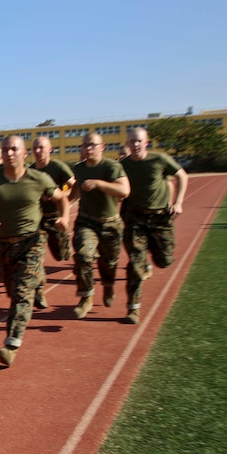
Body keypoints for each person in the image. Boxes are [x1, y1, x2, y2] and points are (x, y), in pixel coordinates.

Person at [0, 135, 69, 367]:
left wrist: (64, 217)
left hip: (32, 241)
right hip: (3, 244)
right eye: (5, 149)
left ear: (24, 153)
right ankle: (37, 281)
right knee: (11, 289)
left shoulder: (39, 178)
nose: (8, 153)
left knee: (21, 293)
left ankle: (12, 344)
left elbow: (61, 199)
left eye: (14, 149)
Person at [119, 127, 189, 324]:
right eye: (132, 141)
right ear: (128, 144)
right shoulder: (122, 165)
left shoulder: (159, 159)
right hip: (135, 219)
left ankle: (149, 253)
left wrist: (178, 202)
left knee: (165, 260)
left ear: (146, 142)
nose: (135, 145)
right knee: (135, 263)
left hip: (160, 219)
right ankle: (133, 308)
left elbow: (182, 176)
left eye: (139, 141)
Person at [69, 133, 130, 318]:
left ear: (102, 147)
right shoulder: (79, 168)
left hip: (110, 223)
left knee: (109, 262)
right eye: (85, 145)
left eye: (93, 145)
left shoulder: (112, 166)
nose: (88, 148)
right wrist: (59, 207)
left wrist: (98, 184)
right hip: (86, 221)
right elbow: (74, 194)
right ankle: (86, 296)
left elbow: (124, 190)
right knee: (83, 256)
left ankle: (108, 285)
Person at [31, 137, 75, 309]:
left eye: (41, 147)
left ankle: (67, 248)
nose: (38, 151)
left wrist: (64, 202)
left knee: (61, 255)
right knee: (36, 256)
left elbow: (74, 186)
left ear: (50, 149)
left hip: (55, 217)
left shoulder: (58, 167)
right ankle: (39, 290)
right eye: (35, 148)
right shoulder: (31, 170)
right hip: (38, 219)